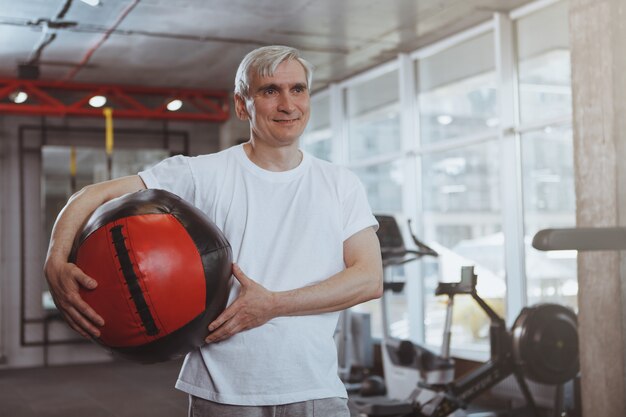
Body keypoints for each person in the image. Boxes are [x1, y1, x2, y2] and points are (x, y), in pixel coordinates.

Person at [44, 45, 383, 417]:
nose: (288, 104)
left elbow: (368, 279)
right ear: (242, 105)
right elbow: (91, 195)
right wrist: (55, 261)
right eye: (270, 91)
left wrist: (273, 304)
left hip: (315, 390)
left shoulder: (340, 183)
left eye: (297, 89)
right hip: (222, 394)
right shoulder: (200, 173)